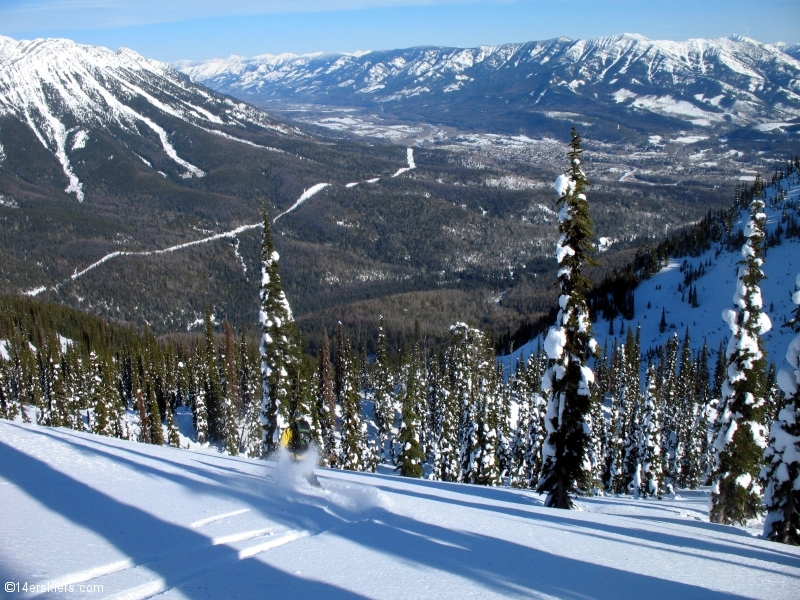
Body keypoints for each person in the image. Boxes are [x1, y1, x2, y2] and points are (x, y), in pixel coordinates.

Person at [279, 416, 321, 487]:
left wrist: (280, 452)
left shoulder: (290, 429)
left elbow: (282, 444)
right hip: (304, 455)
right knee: (307, 470)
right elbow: (311, 442)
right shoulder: (306, 428)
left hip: (293, 455)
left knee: (287, 468)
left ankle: (281, 482)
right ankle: (315, 484)